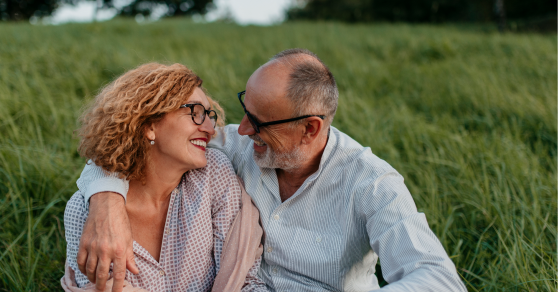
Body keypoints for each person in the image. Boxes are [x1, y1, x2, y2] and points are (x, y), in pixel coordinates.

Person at [76, 49, 468, 292]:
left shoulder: (372, 184)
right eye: (245, 112)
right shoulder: (236, 145)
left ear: (310, 128)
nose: (241, 131)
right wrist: (106, 197)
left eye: (259, 123)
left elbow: (438, 279)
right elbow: (135, 144)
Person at [62, 63, 266, 291]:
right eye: (195, 114)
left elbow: (244, 281)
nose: (210, 128)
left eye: (208, 115)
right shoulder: (84, 210)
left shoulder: (214, 175)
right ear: (149, 126)